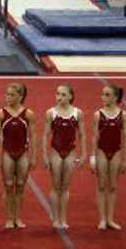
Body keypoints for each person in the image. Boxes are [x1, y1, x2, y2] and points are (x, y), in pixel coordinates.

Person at [0, 83, 37, 229]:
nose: (8, 97)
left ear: (20, 96)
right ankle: (9, 218)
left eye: (11, 95)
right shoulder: (1, 114)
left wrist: (34, 156)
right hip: (7, 153)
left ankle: (18, 217)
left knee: (20, 186)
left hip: (23, 152)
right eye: (6, 94)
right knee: (8, 186)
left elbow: (33, 136)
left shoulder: (28, 114)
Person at [42, 85, 86, 229]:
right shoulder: (51, 113)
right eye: (57, 94)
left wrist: (84, 153)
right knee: (56, 186)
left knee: (65, 186)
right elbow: (45, 135)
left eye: (63, 94)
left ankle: (63, 218)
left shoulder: (78, 113)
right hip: (56, 151)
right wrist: (44, 155)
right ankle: (55, 218)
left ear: (70, 96)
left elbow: (82, 134)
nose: (59, 97)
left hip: (70, 152)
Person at [91, 84, 126, 230]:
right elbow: (95, 137)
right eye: (102, 94)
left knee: (113, 186)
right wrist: (92, 158)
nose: (103, 97)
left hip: (116, 152)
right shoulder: (98, 114)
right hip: (102, 151)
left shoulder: (123, 115)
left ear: (115, 97)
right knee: (101, 186)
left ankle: (110, 219)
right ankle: (102, 219)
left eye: (107, 95)